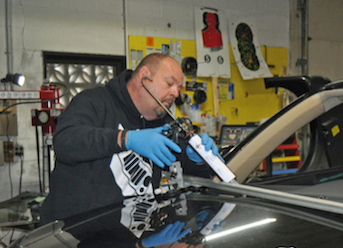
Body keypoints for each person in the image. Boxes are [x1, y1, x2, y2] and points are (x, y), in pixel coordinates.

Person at [41, 53, 221, 224]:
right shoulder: (94, 102)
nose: (175, 93)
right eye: (169, 83)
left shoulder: (166, 123)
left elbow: (192, 174)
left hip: (131, 239)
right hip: (75, 238)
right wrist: (126, 138)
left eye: (179, 88)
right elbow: (65, 142)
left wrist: (197, 159)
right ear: (144, 76)